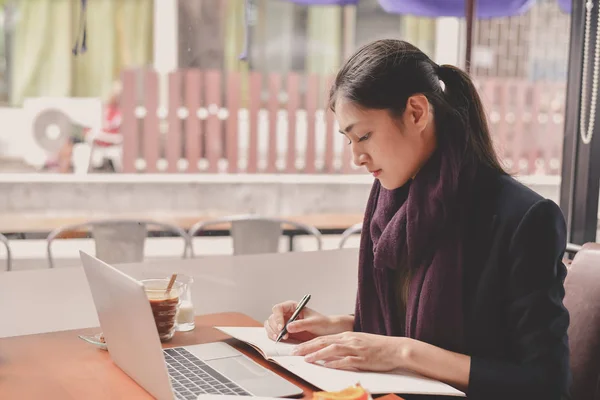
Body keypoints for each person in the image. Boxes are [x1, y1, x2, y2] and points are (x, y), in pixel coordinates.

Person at [264, 40, 570, 400]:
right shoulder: (392, 207)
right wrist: (335, 328)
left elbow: (547, 383)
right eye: (349, 141)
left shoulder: (523, 219)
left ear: (416, 113)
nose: (358, 157)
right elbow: (414, 324)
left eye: (364, 135)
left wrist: (402, 352)